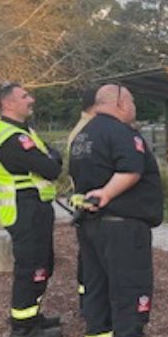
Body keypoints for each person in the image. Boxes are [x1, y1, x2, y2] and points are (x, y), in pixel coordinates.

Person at [69, 84, 168, 337]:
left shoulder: (83, 136)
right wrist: (109, 194)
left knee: (97, 285)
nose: (134, 106)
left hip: (91, 225)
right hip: (122, 224)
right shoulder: (122, 133)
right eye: (133, 100)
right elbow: (131, 170)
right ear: (119, 102)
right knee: (129, 285)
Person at [0, 82, 63, 337]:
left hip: (34, 207)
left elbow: (52, 159)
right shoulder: (11, 138)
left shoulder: (24, 131)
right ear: (8, 103)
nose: (31, 99)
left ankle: (31, 316)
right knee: (31, 267)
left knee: (42, 263)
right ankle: (22, 330)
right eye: (25, 96)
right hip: (24, 209)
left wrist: (51, 158)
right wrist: (51, 159)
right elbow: (51, 167)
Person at [66, 86, 97, 312]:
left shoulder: (81, 129)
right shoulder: (89, 131)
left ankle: (87, 300)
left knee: (87, 255)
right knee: (90, 257)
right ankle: (90, 303)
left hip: (82, 199)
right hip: (90, 203)